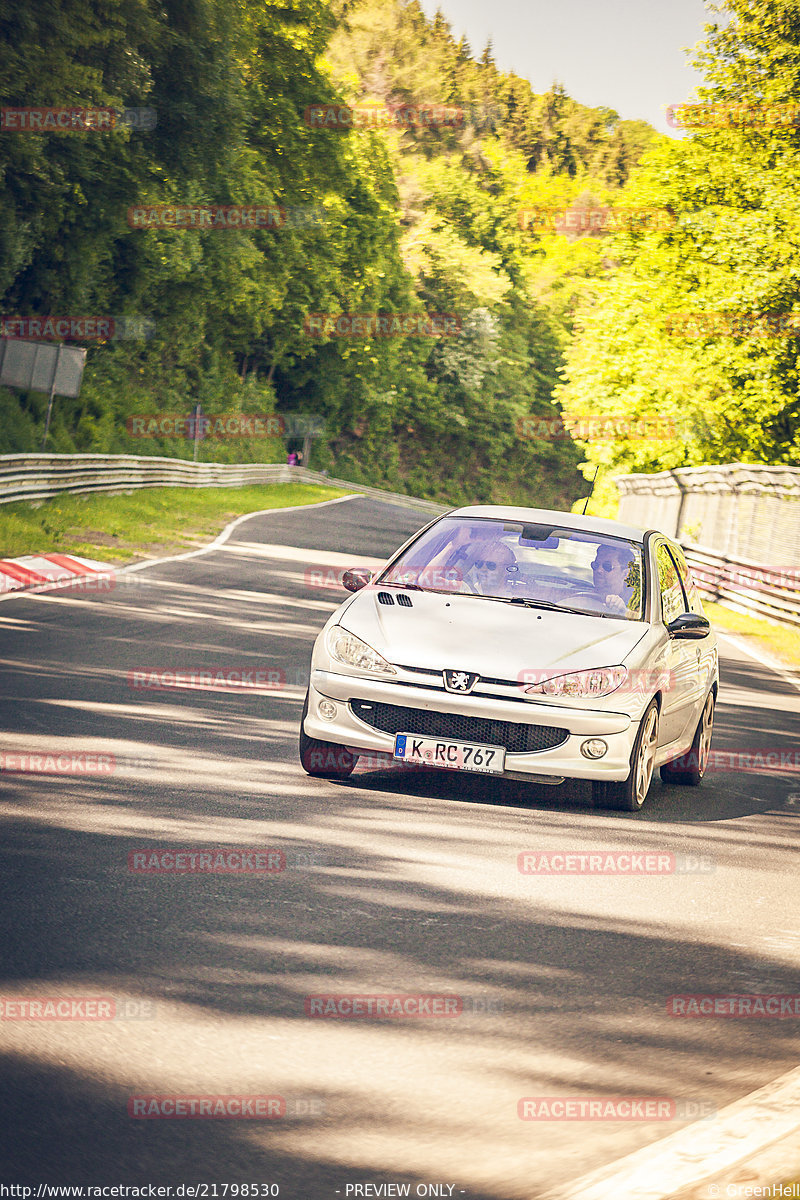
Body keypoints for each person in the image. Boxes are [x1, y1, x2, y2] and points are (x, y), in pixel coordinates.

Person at [588, 544, 639, 616]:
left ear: (625, 574)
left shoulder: (636, 603)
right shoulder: (583, 593)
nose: (599, 570)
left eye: (607, 566)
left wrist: (624, 612)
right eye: (596, 565)